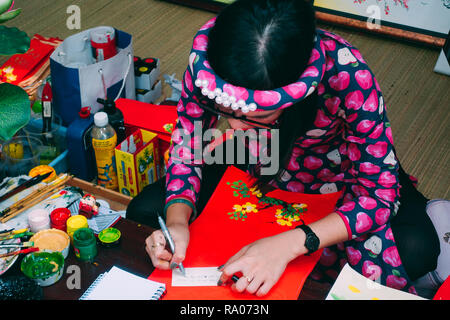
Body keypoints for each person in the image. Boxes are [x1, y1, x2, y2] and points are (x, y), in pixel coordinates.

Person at [127, 0, 449, 298]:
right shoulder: (211, 63)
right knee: (146, 210)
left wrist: (291, 243)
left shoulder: (349, 74)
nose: (236, 127)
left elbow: (377, 193)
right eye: (228, 114)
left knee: (415, 248)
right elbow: (188, 148)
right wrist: (177, 222)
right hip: (256, 158)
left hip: (338, 171)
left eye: (261, 116)